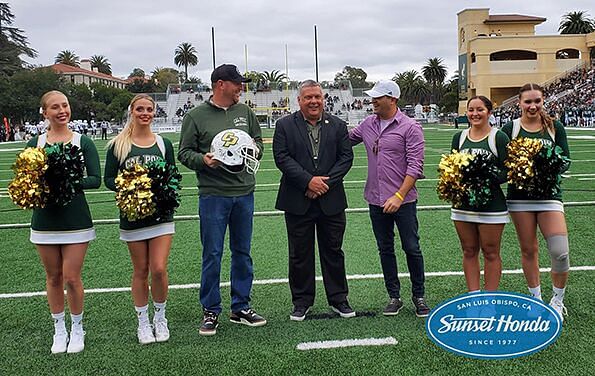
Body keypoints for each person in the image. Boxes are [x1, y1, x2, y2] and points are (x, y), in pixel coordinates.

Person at [178, 64, 266, 335]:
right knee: (212, 254)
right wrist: (203, 160)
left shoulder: (246, 112)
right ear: (220, 85)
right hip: (213, 195)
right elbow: (184, 153)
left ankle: (240, 306)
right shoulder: (196, 115)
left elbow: (259, 143)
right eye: (237, 83)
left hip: (244, 192)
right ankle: (210, 310)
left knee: (242, 253)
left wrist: (253, 150)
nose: (241, 87)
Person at [273, 80, 354, 321]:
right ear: (299, 100)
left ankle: (339, 299)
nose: (313, 101)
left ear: (323, 98)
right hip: (298, 199)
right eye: (308, 97)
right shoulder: (284, 125)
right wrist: (308, 181)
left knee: (334, 251)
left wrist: (323, 184)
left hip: (331, 201)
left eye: (317, 97)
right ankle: (301, 301)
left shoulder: (338, 125)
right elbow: (282, 158)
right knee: (299, 254)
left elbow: (345, 158)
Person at [27, 90, 101, 354]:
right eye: (55, 107)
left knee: (71, 277)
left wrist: (66, 184)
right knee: (53, 277)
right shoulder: (34, 144)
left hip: (76, 220)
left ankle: (78, 327)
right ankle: (59, 328)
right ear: (45, 112)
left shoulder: (83, 141)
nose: (62, 111)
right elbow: (26, 181)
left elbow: (95, 179)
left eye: (65, 105)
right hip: (45, 220)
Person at [349, 80, 430, 317]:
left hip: (403, 201)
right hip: (375, 198)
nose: (372, 101)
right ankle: (394, 296)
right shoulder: (367, 124)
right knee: (385, 249)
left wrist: (399, 195)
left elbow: (416, 166)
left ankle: (419, 295)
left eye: (377, 97)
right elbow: (345, 140)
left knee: (411, 247)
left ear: (392, 99)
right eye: (372, 97)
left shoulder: (410, 127)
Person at [104, 94, 176, 344]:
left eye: (149, 109)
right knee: (141, 270)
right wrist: (132, 188)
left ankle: (160, 317)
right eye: (140, 109)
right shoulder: (118, 145)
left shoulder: (164, 144)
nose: (145, 113)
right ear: (131, 112)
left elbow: (173, 176)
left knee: (158, 268)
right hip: (133, 216)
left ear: (154, 113)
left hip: (162, 216)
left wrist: (162, 189)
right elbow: (108, 179)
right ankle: (143, 321)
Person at [501, 83, 571, 321]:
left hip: (549, 197)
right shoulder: (510, 128)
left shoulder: (554, 127)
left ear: (543, 101)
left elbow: (566, 159)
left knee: (560, 252)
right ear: (519, 103)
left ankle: (557, 300)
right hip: (520, 198)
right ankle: (536, 299)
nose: (532, 106)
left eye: (537, 101)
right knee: (529, 249)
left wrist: (547, 167)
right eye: (527, 102)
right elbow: (503, 162)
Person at [450, 96, 510, 293]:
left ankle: (490, 299)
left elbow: (509, 170)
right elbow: (452, 167)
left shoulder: (498, 138)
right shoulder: (459, 137)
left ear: (489, 113)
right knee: (468, 250)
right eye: (471, 110)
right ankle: (474, 297)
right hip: (463, 204)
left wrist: (485, 177)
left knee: (491, 252)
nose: (475, 114)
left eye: (480, 110)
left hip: (492, 205)